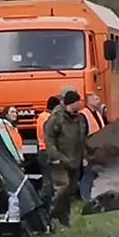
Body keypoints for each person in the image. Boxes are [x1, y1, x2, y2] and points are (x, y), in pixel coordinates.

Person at [44, 90, 87, 227]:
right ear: (72, 103)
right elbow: (49, 139)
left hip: (75, 159)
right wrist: (54, 156)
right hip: (60, 160)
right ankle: (50, 215)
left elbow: (84, 138)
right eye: (78, 101)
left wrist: (85, 156)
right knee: (62, 187)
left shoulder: (79, 118)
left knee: (70, 191)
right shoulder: (56, 118)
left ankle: (64, 218)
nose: (81, 103)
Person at [78, 93, 105, 201]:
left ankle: (94, 196)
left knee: (95, 174)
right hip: (89, 150)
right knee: (88, 174)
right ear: (88, 100)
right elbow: (81, 136)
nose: (98, 99)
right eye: (95, 98)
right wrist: (84, 155)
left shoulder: (97, 113)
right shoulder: (83, 115)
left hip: (98, 149)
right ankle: (86, 198)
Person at [37, 96, 62, 204]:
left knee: (47, 179)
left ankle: (46, 202)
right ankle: (47, 203)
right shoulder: (49, 118)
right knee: (50, 181)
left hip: (42, 150)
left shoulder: (41, 116)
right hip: (48, 151)